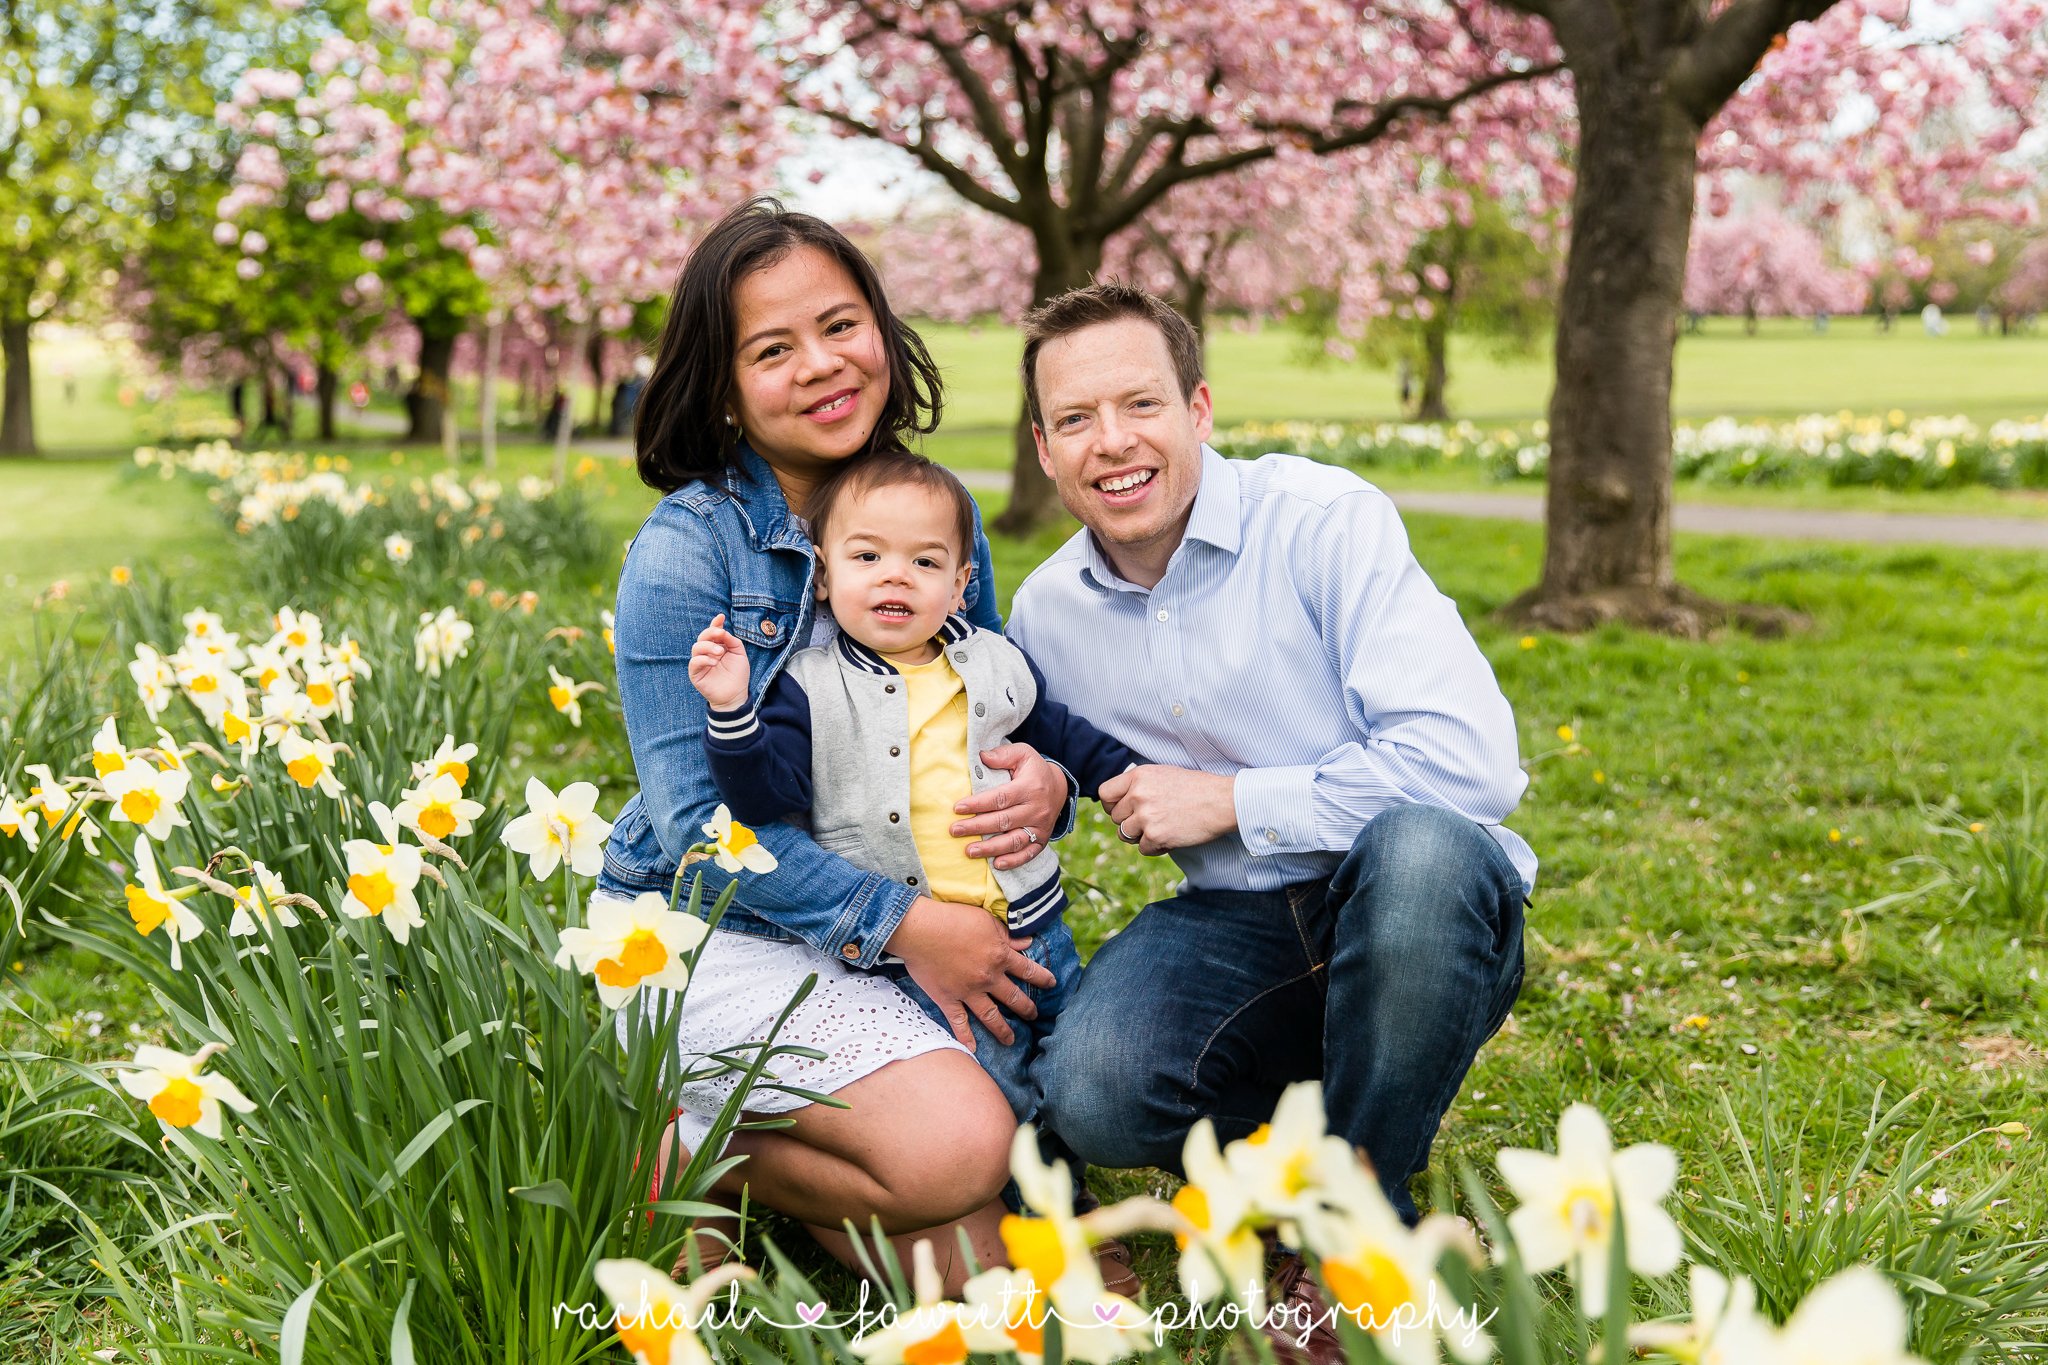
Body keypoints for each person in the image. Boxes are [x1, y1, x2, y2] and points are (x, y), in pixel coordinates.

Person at [1007, 283, 1533, 1353]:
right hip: (1241, 927)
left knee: (1424, 851)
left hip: (1410, 903)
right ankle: (1324, 1132)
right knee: (1094, 1088)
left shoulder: (1322, 522)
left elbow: (1470, 770)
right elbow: (1046, 769)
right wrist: (1049, 793)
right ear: (1044, 448)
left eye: (1139, 405)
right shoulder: (1043, 616)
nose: (1112, 443)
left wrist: (1234, 801)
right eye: (1075, 420)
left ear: (1198, 409)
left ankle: (1354, 1226)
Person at [597, 197, 1102, 1293]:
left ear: (881, 323)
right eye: (771, 350)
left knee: (969, 1274)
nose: (821, 365)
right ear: (722, 384)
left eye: (839, 324)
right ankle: (683, 1144)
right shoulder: (688, 551)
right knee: (960, 1150)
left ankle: (765, 1160)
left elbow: (986, 704)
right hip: (714, 930)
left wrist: (1047, 786)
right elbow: (698, 835)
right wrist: (906, 926)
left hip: (890, 920)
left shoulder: (936, 508)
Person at [688, 448, 1144, 1136]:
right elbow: (760, 796)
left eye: (925, 563)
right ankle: (1030, 1203)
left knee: (1061, 1060)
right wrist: (731, 712)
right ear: (822, 574)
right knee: (996, 1080)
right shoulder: (808, 687)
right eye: (867, 557)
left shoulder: (994, 661)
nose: (895, 575)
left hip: (1037, 924)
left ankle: (1065, 1170)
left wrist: (1119, 782)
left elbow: (1063, 737)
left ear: (961, 584)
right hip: (926, 955)